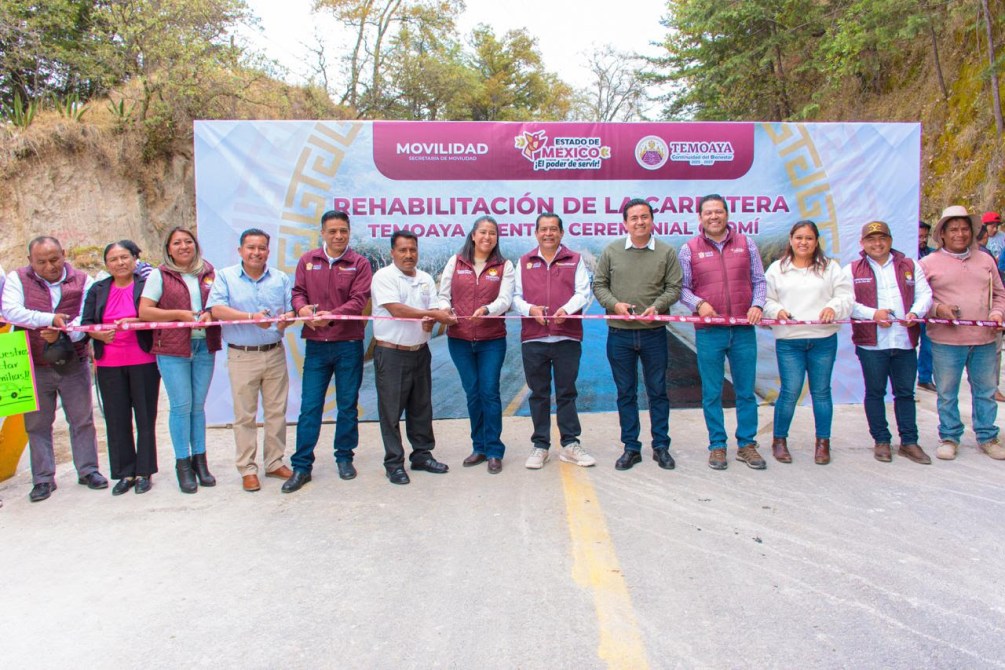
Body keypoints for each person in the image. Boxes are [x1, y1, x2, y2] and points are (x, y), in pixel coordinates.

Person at [1, 237, 106, 502]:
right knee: (37, 424)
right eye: (42, 262)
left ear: (64, 254)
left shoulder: (84, 280)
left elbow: (87, 317)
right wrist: (49, 320)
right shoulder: (16, 279)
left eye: (54, 259)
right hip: (34, 364)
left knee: (82, 420)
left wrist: (61, 335)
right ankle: (43, 479)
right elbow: (11, 311)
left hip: (74, 362)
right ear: (30, 261)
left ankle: (88, 470)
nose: (49, 266)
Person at [284, 210, 372, 493]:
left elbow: (359, 301)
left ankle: (344, 457)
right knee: (310, 407)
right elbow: (297, 292)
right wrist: (301, 309)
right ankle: (301, 466)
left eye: (343, 231)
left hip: (348, 345)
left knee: (347, 405)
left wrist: (330, 315)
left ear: (349, 232)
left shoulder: (359, 263)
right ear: (322, 233)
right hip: (316, 346)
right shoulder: (308, 261)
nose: (338, 236)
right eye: (332, 231)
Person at [592, 198, 682, 471]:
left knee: (658, 392)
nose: (640, 222)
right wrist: (615, 305)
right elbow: (599, 285)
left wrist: (658, 306)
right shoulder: (612, 251)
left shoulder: (666, 252)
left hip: (654, 334)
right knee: (626, 393)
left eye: (645, 217)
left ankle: (661, 446)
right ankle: (631, 447)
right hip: (620, 334)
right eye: (634, 218)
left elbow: (674, 287)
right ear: (625, 223)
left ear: (652, 220)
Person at [679, 194, 767, 471]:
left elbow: (759, 281)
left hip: (742, 330)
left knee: (745, 390)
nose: (714, 217)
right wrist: (699, 304)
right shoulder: (689, 249)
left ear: (727, 214)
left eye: (719, 212)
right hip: (709, 332)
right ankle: (717, 445)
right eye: (708, 213)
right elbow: (682, 288)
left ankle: (747, 444)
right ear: (700, 217)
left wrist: (757, 304)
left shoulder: (746, 244)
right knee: (712, 392)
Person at [207, 228, 295, 492]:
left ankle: (274, 462)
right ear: (240, 251)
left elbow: (291, 308)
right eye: (251, 247)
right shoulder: (225, 277)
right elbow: (216, 309)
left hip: (274, 352)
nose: (256, 253)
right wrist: (251, 318)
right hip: (242, 354)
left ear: (268, 250)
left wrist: (287, 318)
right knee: (245, 415)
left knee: (276, 412)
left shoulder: (280, 278)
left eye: (262, 248)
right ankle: (247, 468)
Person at [139, 227, 221, 493]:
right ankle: (182, 464)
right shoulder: (159, 275)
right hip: (172, 350)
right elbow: (145, 311)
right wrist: (179, 315)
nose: (184, 246)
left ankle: (200, 460)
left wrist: (210, 313)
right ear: (168, 248)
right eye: (177, 243)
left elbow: (217, 304)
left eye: (188, 241)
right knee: (180, 406)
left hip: (203, 347)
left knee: (198, 406)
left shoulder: (209, 273)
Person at [763, 220, 853, 465]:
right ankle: (779, 441)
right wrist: (777, 310)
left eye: (809, 238)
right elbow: (766, 299)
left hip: (822, 340)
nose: (803, 242)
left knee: (821, 393)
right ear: (791, 240)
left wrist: (832, 308)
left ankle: (823, 443)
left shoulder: (830, 268)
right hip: (790, 341)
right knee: (790, 392)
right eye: (799, 237)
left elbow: (845, 296)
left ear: (816, 242)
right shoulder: (776, 269)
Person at [919, 206, 1005, 461]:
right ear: (942, 234)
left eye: (965, 229)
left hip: (984, 340)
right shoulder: (928, 263)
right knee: (947, 392)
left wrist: (998, 314)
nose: (960, 234)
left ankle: (988, 436)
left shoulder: (986, 260)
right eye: (953, 229)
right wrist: (938, 308)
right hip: (946, 341)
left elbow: (999, 294)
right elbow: (920, 301)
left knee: (986, 392)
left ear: (972, 232)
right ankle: (949, 436)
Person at [844, 222, 933, 464]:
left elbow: (925, 294)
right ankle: (881, 440)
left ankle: (909, 442)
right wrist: (873, 314)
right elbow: (846, 301)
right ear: (862, 244)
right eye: (871, 239)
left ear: (890, 240)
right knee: (875, 393)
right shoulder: (852, 270)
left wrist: (915, 313)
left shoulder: (910, 265)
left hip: (904, 341)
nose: (877, 244)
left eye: (882, 238)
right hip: (872, 344)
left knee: (905, 393)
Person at [512, 213, 595, 470]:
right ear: (536, 233)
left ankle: (570, 444)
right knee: (538, 394)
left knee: (566, 392)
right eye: (543, 229)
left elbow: (584, 292)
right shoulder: (524, 261)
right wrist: (530, 310)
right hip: (533, 338)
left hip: (566, 336)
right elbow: (515, 297)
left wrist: (566, 310)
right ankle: (541, 445)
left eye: (553, 229)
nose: (548, 234)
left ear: (561, 233)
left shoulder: (575, 260)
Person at [371, 230, 455, 485]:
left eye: (413, 250)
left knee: (421, 406)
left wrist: (432, 318)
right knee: (391, 410)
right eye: (403, 250)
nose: (409, 255)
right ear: (392, 253)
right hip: (391, 352)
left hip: (419, 352)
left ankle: (422, 455)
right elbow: (396, 310)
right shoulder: (383, 277)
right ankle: (394, 462)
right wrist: (434, 316)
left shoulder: (426, 278)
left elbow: (430, 309)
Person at [81, 241, 161, 494]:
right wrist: (97, 335)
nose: (120, 263)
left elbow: (157, 315)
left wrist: (136, 320)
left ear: (136, 259)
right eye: (113, 259)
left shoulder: (146, 285)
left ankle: (144, 471)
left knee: (146, 418)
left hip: (143, 360)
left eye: (125, 257)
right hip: (109, 363)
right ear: (107, 264)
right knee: (116, 420)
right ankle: (124, 473)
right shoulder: (98, 289)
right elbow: (86, 323)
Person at [438, 216, 515, 474]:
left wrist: (487, 309)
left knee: (489, 392)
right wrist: (445, 310)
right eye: (482, 232)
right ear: (473, 235)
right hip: (459, 340)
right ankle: (478, 447)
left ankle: (494, 450)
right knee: (473, 392)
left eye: (492, 233)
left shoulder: (505, 266)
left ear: (497, 238)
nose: (487, 237)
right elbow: (443, 295)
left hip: (492, 340)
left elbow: (505, 300)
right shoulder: (456, 261)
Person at [916, 221, 936, 393]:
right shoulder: (906, 257)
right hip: (908, 306)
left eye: (925, 236)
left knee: (928, 342)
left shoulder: (932, 255)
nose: (922, 240)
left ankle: (924, 377)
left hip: (927, 305)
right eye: (919, 236)